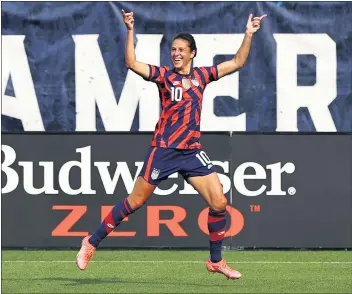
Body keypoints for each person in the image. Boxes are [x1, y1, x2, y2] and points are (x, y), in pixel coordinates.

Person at [76, 9, 267, 280]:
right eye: (173, 49)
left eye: (181, 49)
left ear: (192, 53)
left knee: (219, 201)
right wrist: (129, 29)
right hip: (164, 150)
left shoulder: (203, 76)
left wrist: (249, 33)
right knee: (135, 201)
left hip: (191, 152)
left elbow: (237, 62)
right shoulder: (164, 76)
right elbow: (131, 62)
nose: (175, 53)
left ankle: (216, 261)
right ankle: (91, 242)